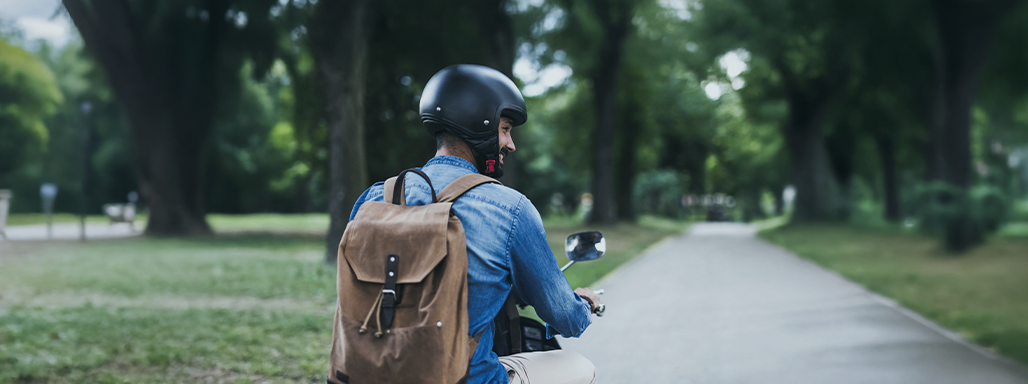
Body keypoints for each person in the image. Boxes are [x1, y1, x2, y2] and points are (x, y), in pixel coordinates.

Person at [347, 64, 601, 384]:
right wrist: (584, 304)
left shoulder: (375, 197)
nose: (511, 144)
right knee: (579, 366)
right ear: (479, 123)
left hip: (368, 373)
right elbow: (566, 318)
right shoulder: (509, 209)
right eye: (505, 128)